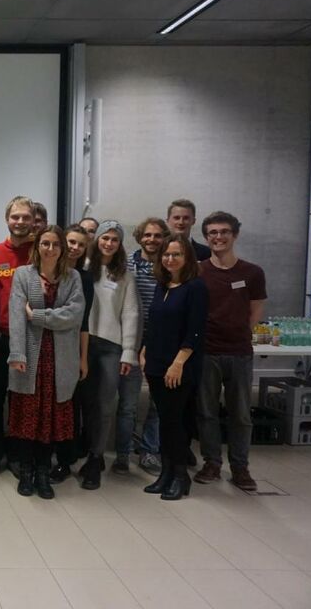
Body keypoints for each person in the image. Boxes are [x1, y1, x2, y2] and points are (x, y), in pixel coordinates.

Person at [8, 226, 85, 499]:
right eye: (45, 244)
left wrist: (38, 316)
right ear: (37, 246)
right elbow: (17, 316)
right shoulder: (22, 275)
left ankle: (44, 472)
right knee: (28, 417)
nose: (49, 249)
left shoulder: (72, 277)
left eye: (54, 244)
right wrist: (17, 354)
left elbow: (74, 314)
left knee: (49, 420)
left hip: (60, 359)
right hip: (30, 359)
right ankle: (26, 472)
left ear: (62, 248)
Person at [194, 211, 265, 491]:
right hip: (206, 351)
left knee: (240, 414)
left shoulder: (252, 272)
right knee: (207, 412)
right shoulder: (198, 271)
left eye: (224, 232)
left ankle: (240, 467)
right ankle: (212, 462)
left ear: (235, 234)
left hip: (238, 352)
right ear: (206, 237)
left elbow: (257, 308)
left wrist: (238, 330)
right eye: (213, 232)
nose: (218, 237)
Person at [141, 234, 207, 501]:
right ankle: (166, 473)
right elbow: (154, 323)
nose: (170, 259)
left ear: (187, 257)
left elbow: (195, 331)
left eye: (176, 254)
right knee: (165, 422)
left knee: (176, 423)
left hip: (179, 366)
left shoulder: (196, 288)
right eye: (166, 255)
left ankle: (181, 476)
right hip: (156, 364)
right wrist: (144, 350)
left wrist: (178, 363)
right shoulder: (163, 284)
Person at [78, 220, 140, 490]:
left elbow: (131, 313)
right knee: (83, 403)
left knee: (104, 405)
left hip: (110, 347)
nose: (108, 243)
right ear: (97, 239)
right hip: (81, 343)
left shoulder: (124, 274)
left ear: (120, 244)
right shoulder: (82, 267)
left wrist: (129, 352)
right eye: (105, 237)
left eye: (114, 239)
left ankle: (96, 457)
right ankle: (79, 451)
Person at [0, 196, 35, 481]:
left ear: (33, 220)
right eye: (16, 217)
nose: (20, 222)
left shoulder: (41, 251)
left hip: (30, 340)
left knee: (21, 401)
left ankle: (18, 455)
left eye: (25, 217)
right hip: (0, 338)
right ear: (7, 219)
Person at [116, 218, 168, 477]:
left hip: (161, 342)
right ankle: (123, 454)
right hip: (132, 340)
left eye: (158, 236)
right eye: (147, 235)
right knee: (129, 403)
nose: (152, 240)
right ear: (139, 237)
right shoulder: (127, 266)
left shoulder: (170, 266)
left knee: (158, 401)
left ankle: (149, 450)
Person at [51, 224, 94, 482]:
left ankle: (65, 460)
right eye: (70, 242)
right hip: (44, 348)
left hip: (69, 348)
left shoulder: (84, 278)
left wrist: (82, 357)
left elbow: (83, 321)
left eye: (80, 243)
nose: (74, 248)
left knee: (69, 405)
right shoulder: (45, 272)